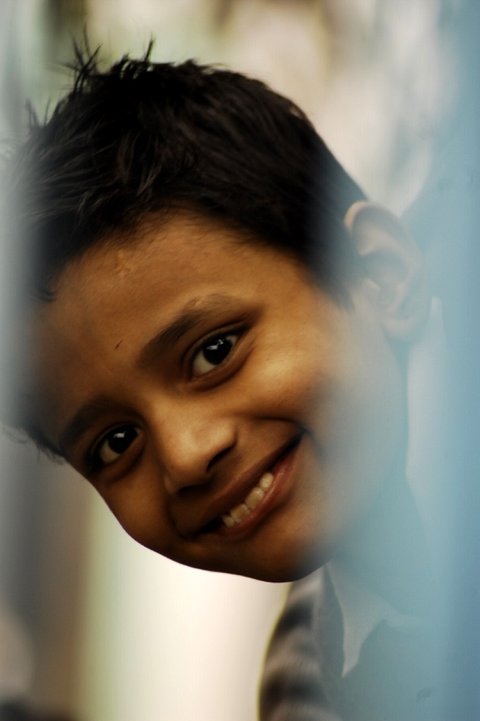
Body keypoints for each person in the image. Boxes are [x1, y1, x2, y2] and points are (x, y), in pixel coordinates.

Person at [4, 49, 441, 719]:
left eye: (214, 353)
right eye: (116, 442)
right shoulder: (304, 679)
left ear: (380, 277)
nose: (185, 456)